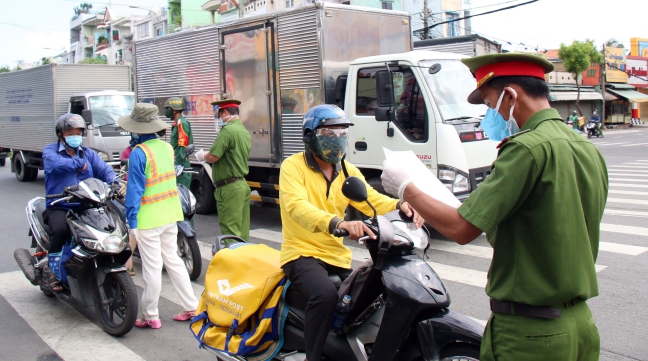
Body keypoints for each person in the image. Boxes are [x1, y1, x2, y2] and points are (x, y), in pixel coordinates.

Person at [381, 53, 608, 361]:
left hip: (531, 333)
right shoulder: (586, 148)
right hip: (580, 325)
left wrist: (406, 189)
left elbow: (461, 229)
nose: (490, 117)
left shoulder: (526, 149)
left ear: (511, 96)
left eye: (490, 105)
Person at [279, 104, 423, 361]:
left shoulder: (347, 170)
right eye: (329, 133)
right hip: (301, 253)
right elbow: (296, 206)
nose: (337, 140)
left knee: (373, 294)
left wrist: (400, 205)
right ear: (310, 136)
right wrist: (338, 223)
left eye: (342, 133)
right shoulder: (292, 166)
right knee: (323, 296)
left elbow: (372, 199)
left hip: (336, 255)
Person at [117, 103, 198, 329]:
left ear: (137, 129)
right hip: (170, 214)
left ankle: (150, 314)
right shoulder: (167, 149)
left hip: (149, 219)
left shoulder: (138, 154)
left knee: (152, 268)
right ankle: (191, 305)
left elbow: (134, 191)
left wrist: (131, 221)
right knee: (173, 260)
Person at [42, 114, 117, 292]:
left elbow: (104, 170)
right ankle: (52, 271)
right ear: (60, 134)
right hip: (60, 204)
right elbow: (53, 165)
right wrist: (78, 164)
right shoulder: (50, 151)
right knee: (60, 230)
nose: (75, 135)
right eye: (70, 132)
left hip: (85, 205)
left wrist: (114, 181)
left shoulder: (88, 153)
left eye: (78, 132)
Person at [196, 99, 252, 241]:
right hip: (242, 184)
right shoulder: (243, 131)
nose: (220, 119)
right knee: (243, 232)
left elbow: (214, 156)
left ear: (225, 112)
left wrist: (202, 156)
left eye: (220, 115)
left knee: (230, 233)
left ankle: (231, 262)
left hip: (229, 187)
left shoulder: (227, 131)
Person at [164, 97, 193, 188]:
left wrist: (179, 164)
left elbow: (182, 146)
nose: (166, 111)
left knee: (181, 198)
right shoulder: (177, 124)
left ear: (174, 110)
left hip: (181, 167)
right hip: (176, 165)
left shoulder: (181, 123)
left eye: (168, 108)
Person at [120, 137, 137, 276]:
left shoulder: (145, 151)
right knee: (132, 227)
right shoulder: (128, 152)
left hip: (145, 194)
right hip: (131, 191)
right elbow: (123, 175)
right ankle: (128, 262)